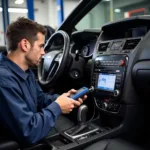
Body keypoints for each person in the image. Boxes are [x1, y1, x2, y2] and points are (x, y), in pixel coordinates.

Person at [0, 17, 87, 146]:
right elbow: (29, 132)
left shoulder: (24, 70)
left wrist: (63, 99)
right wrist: (57, 107)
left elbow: (40, 99)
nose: (44, 53)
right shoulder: (4, 80)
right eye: (41, 46)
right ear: (25, 44)